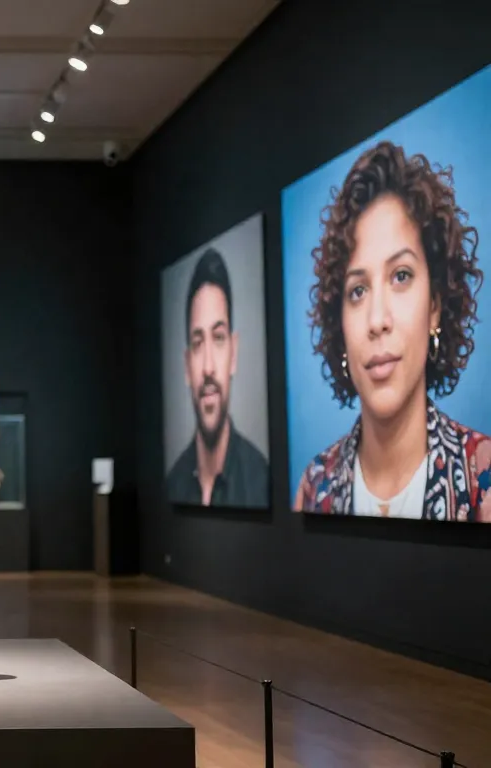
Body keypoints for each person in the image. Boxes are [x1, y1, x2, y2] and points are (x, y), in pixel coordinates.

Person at [295, 141, 489, 520]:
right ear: (340, 325)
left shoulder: (483, 478)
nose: (377, 319)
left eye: (401, 276)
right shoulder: (314, 487)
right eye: (357, 290)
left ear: (434, 306)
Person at [166, 248, 270, 507]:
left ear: (233, 355)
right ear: (187, 366)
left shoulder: (263, 481)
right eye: (198, 343)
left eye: (219, 338)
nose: (209, 367)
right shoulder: (171, 484)